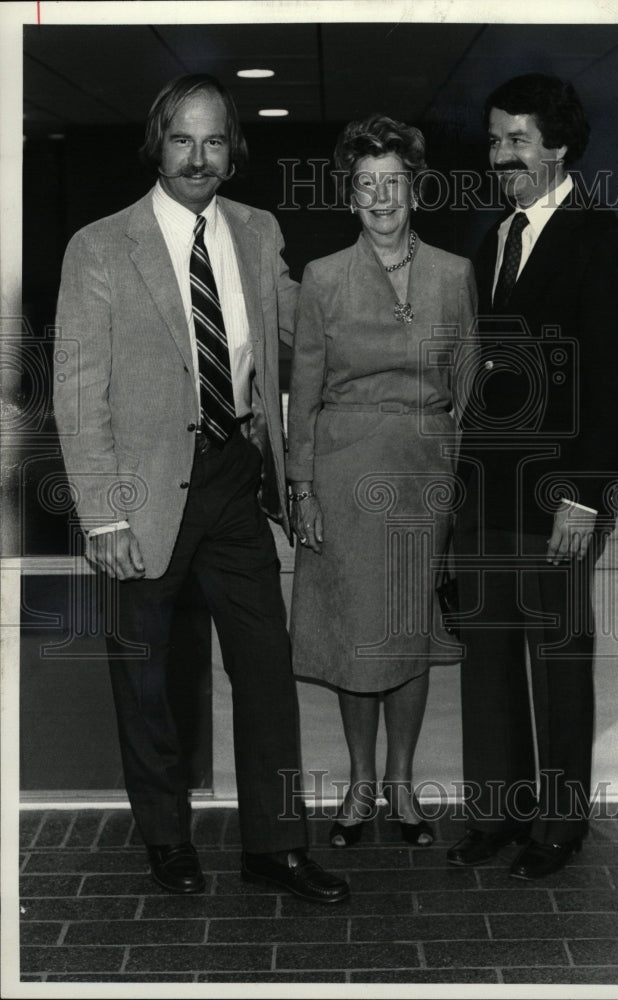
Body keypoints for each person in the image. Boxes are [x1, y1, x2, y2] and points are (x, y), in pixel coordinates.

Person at [53, 74, 349, 904]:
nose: (197, 156)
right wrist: (103, 514)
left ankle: (274, 848)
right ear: (158, 143)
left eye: (214, 140)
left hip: (233, 478)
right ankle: (166, 838)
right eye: (182, 139)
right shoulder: (100, 246)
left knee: (264, 670)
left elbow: (304, 330)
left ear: (232, 152)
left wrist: (389, 280)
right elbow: (79, 392)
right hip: (142, 493)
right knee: (146, 680)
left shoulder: (257, 231)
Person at [449, 74, 618, 878]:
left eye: (518, 139)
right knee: (488, 663)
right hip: (485, 494)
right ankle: (500, 814)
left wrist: (582, 496)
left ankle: (560, 828)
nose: (502, 155)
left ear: (558, 146)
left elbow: (617, 382)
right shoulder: (493, 239)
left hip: (556, 497)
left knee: (557, 665)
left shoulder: (601, 239)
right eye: (495, 139)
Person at [286, 114, 478, 848]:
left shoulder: (453, 274)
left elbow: (466, 387)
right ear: (350, 194)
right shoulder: (324, 278)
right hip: (341, 475)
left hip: (422, 474)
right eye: (364, 185)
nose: (379, 198)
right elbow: (302, 393)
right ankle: (359, 783)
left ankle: (401, 784)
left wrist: (458, 480)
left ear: (414, 188)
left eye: (391, 182)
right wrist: (302, 489)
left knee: (407, 631)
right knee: (353, 632)